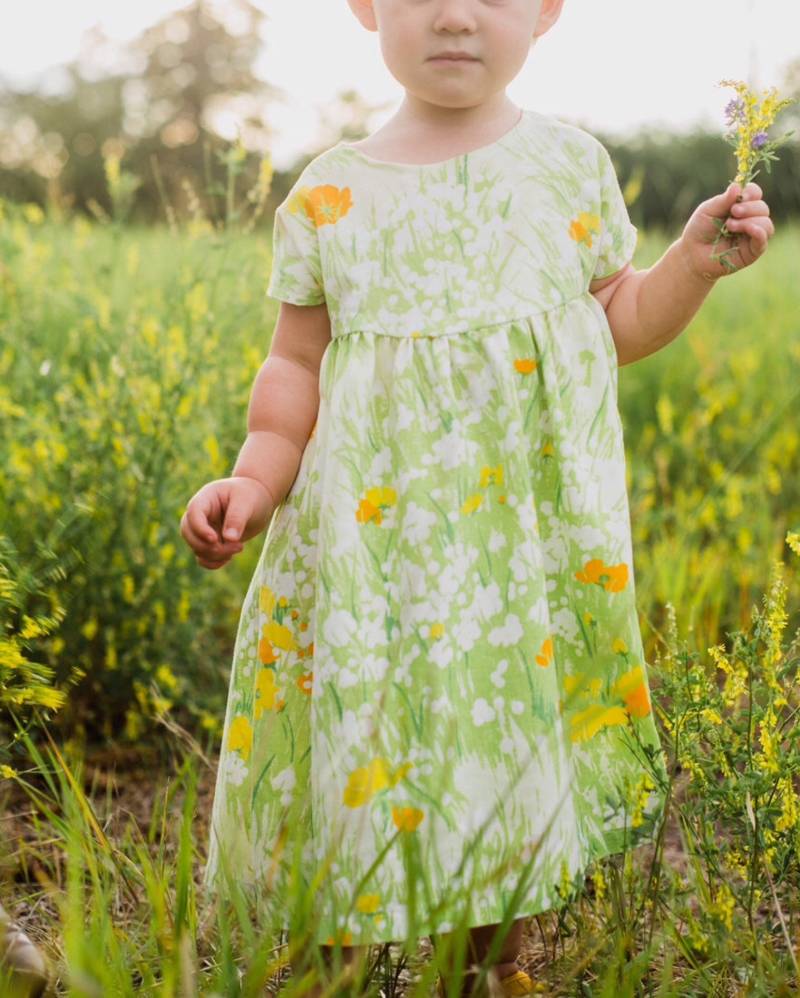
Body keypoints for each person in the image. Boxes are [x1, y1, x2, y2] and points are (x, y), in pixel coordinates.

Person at [180, 0, 774, 993]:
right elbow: (293, 368)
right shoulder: (331, 194)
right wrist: (252, 474)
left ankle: (490, 964)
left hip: (513, 556)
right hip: (365, 557)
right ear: (366, 7)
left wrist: (690, 264)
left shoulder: (565, 166)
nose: (455, 15)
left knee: (500, 738)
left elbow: (615, 321)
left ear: (544, 11)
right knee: (357, 732)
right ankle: (331, 955)